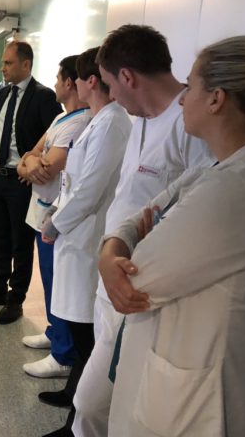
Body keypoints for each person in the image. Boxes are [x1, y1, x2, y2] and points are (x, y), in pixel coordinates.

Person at [99, 36, 245, 437]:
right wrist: (112, 250)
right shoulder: (217, 170)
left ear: (216, 99)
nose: (182, 99)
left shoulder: (237, 192)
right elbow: (133, 221)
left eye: (191, 85)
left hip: (198, 405)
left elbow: (135, 278)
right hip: (182, 385)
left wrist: (120, 254)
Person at [68, 24, 213, 437]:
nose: (111, 96)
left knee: (99, 403)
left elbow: (193, 213)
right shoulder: (140, 120)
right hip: (113, 277)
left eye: (111, 84)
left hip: (143, 287)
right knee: (98, 403)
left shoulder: (190, 126)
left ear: (128, 77)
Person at [37, 48, 132, 436]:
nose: (73, 85)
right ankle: (73, 397)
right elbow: (74, 182)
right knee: (78, 328)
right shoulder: (99, 121)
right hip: (75, 233)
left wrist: (55, 223)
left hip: (86, 236)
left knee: (86, 332)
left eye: (76, 78)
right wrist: (56, 214)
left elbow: (90, 189)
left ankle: (75, 419)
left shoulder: (111, 124)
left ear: (91, 81)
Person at [0, 41, 61, 324]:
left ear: (26, 64)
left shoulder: (43, 96)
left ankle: (15, 298)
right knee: (0, 237)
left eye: (8, 63)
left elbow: (53, 137)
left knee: (21, 242)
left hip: (23, 181)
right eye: (3, 63)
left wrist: (33, 164)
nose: (3, 68)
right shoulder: (2, 93)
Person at [16, 55, 91, 378]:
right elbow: (30, 157)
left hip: (57, 217)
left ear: (70, 83)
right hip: (42, 212)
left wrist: (33, 162)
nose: (56, 84)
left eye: (59, 79)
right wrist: (31, 161)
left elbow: (47, 168)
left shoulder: (80, 122)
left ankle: (64, 353)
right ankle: (54, 332)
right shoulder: (61, 118)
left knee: (59, 282)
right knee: (49, 279)